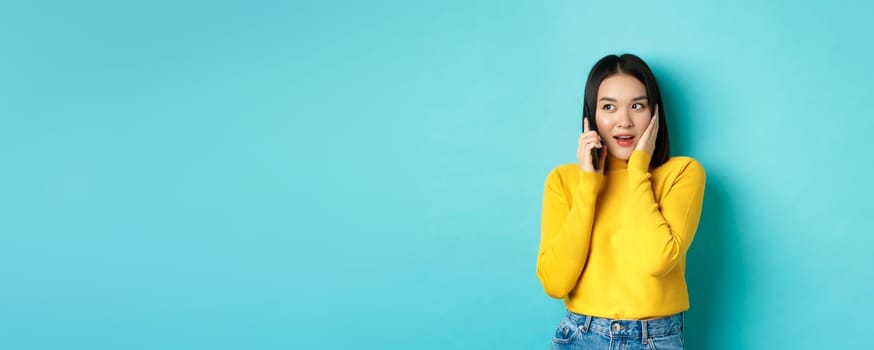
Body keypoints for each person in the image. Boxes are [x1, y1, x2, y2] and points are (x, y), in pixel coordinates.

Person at [537, 53, 706, 350]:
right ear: (591, 116)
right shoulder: (563, 181)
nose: (624, 121)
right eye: (609, 107)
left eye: (637, 106)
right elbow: (555, 282)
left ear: (654, 114)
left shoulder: (682, 173)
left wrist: (638, 168)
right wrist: (589, 185)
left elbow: (658, 260)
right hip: (580, 334)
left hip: (654, 338)